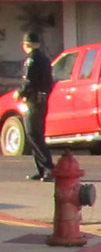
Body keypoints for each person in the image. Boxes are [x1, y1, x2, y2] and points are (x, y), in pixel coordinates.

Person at [18, 32, 55, 181]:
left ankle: (48, 168)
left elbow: (28, 81)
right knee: (37, 134)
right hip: (43, 100)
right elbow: (49, 82)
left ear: (26, 44)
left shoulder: (31, 60)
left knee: (33, 134)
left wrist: (20, 94)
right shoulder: (45, 60)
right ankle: (41, 169)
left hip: (32, 100)